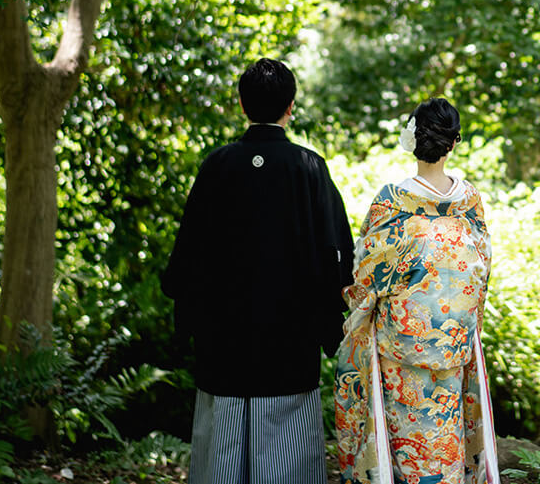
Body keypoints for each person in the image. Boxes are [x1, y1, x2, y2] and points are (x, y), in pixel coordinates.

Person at [161, 58, 354, 484]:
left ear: (243, 106)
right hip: (290, 341)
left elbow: (187, 257)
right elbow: (337, 254)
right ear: (290, 106)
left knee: (220, 461)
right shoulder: (308, 167)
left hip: (223, 343)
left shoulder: (217, 165)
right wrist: (329, 319)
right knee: (288, 461)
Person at [335, 98, 500, 484]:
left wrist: (361, 305)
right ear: (454, 142)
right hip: (454, 338)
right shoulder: (468, 200)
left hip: (402, 341)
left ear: (413, 137)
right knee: (446, 426)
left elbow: (367, 269)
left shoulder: (393, 200)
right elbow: (482, 265)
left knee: (407, 439)